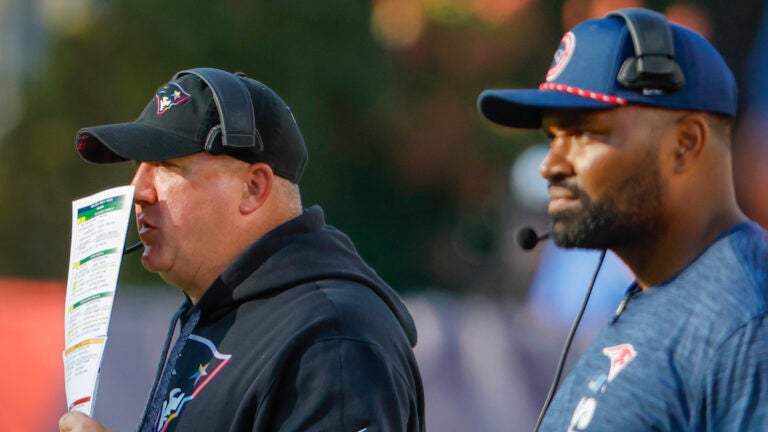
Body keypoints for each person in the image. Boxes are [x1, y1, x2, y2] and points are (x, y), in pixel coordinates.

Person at [59, 68, 425, 432]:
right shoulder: (226, 313)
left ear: (253, 187)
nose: (138, 190)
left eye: (166, 165)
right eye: (139, 167)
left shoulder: (332, 340)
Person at [478, 7, 768, 432]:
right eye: (553, 137)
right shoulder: (656, 299)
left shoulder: (746, 321)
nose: (551, 165)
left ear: (685, 144)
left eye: (584, 133)